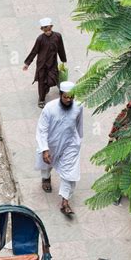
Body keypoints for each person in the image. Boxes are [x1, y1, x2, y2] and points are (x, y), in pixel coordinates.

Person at [35, 81, 83, 216]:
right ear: (60, 94)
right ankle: (46, 178)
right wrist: (44, 149)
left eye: (71, 97)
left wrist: (79, 140)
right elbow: (42, 130)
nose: (68, 100)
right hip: (51, 143)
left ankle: (65, 202)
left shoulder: (79, 106)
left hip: (70, 144)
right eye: (66, 97)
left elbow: (79, 124)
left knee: (70, 172)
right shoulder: (49, 108)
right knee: (47, 163)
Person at [23, 18, 67, 108]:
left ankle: (46, 88)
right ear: (42, 30)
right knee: (42, 82)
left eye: (49, 29)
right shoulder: (40, 39)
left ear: (52, 27)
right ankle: (41, 99)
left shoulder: (58, 36)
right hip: (42, 65)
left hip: (52, 63)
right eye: (45, 30)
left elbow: (61, 49)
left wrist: (63, 59)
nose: (48, 32)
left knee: (52, 80)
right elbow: (34, 51)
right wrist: (27, 63)